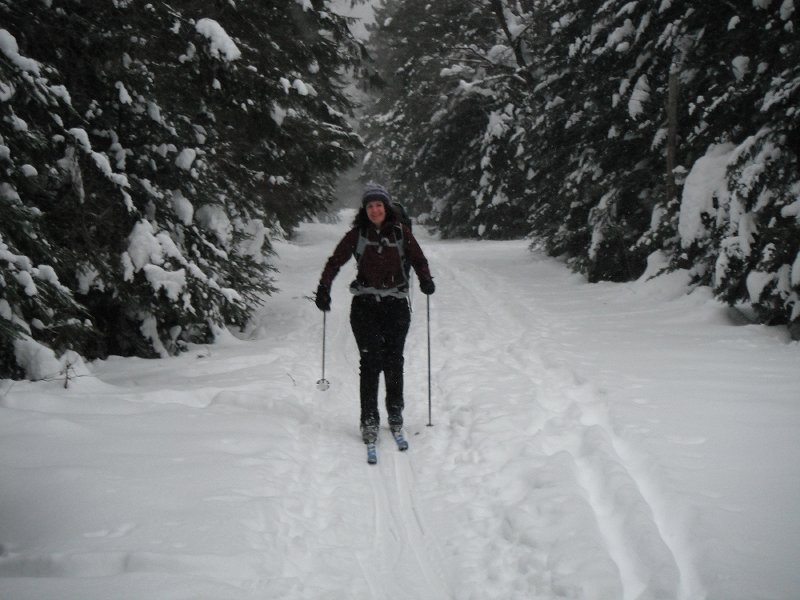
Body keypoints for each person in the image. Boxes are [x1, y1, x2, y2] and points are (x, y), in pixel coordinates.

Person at [315, 183, 435, 446]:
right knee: (370, 362)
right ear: (365, 209)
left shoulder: (401, 232)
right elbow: (335, 261)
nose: (375, 210)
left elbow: (418, 259)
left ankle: (395, 412)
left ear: (386, 207)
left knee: (394, 361)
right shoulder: (358, 234)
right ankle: (369, 419)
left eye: (379, 205)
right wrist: (324, 288)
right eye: (370, 206)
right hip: (365, 306)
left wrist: (426, 280)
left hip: (396, 306)